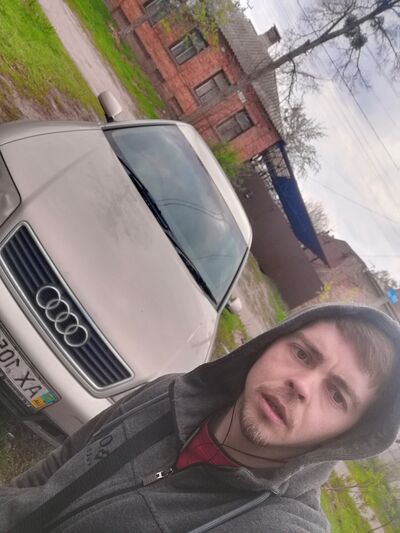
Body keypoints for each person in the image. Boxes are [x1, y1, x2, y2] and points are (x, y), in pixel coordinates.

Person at [1, 303, 400, 533]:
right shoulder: (168, 393)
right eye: (302, 353)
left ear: (350, 434)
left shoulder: (280, 526)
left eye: (336, 395)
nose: (302, 385)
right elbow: (58, 466)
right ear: (269, 343)